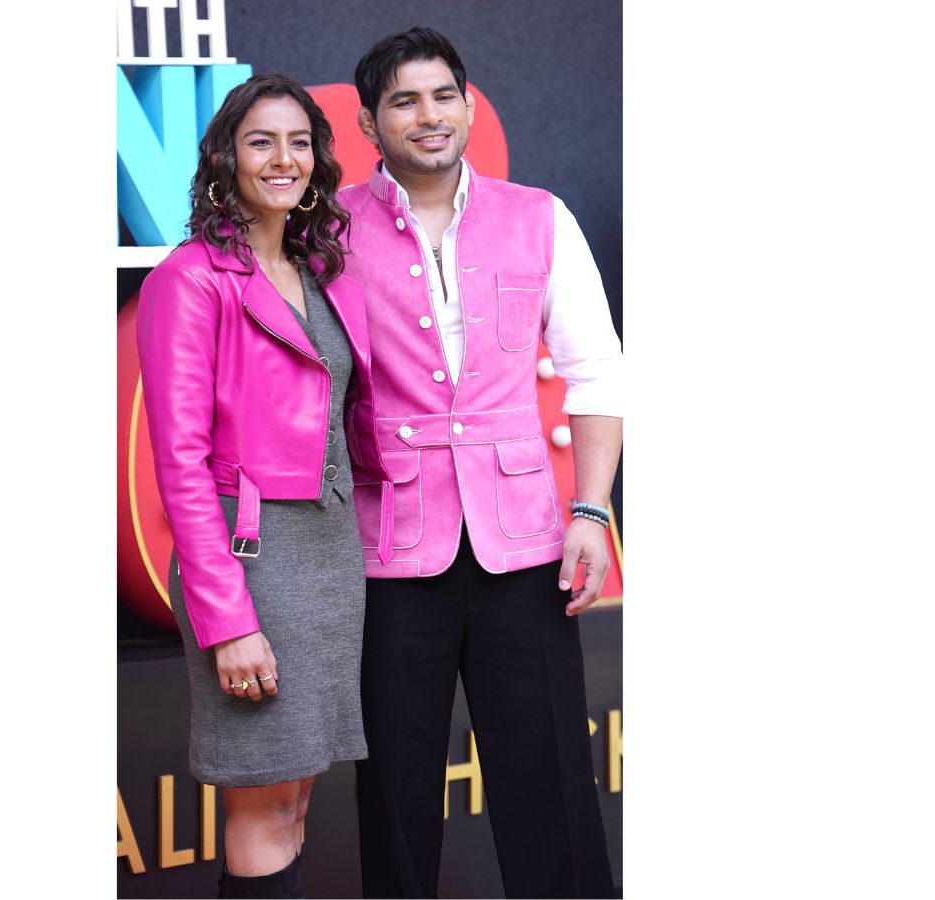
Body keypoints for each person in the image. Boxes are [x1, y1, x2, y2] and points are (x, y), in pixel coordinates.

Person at [341, 27, 623, 899]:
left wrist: (592, 511)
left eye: (442, 97)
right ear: (369, 122)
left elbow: (596, 370)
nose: (428, 116)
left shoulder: (539, 215)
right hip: (388, 550)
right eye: (403, 101)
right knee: (395, 797)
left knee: (551, 787)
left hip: (524, 548)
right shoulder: (328, 228)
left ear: (467, 106)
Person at [135, 73, 393, 900]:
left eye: (299, 142)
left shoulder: (322, 271)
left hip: (328, 554)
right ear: (226, 159)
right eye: (260, 141)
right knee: (263, 803)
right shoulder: (190, 278)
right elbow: (179, 463)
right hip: (250, 560)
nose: (283, 159)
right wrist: (227, 620)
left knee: (296, 799)